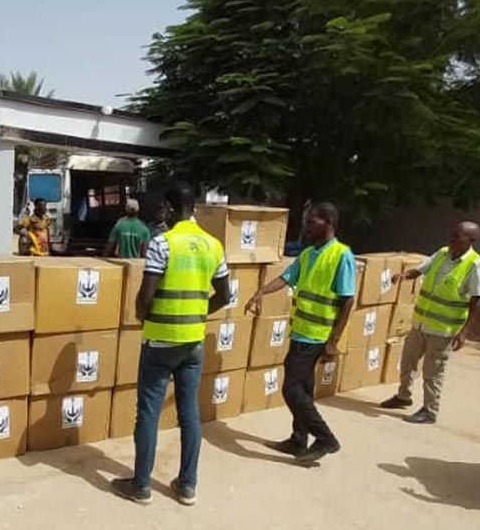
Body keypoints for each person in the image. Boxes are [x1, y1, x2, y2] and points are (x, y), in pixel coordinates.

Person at [111, 184, 231, 506]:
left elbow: (146, 296)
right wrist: (198, 311)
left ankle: (141, 486)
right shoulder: (213, 245)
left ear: (168, 207)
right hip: (193, 341)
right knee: (189, 412)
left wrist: (140, 313)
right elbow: (225, 295)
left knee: (148, 413)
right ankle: (188, 485)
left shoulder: (162, 243)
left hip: (160, 341)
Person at [245, 202, 355, 464]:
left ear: (328, 222)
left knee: (291, 389)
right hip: (300, 331)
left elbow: (348, 300)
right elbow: (286, 278)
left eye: (311, 222)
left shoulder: (341, 255)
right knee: (303, 388)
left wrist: (334, 341)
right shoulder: (308, 254)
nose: (306, 227)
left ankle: (326, 438)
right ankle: (298, 439)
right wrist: (260, 292)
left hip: (318, 335)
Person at [379, 222, 480, 424]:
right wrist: (404, 275)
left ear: (471, 240)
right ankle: (403, 396)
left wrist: (464, 332)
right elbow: (420, 270)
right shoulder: (442, 254)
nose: (452, 238)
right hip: (421, 323)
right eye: (452, 234)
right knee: (407, 362)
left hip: (443, 330)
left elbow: (476, 300)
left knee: (433, 371)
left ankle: (430, 410)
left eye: (458, 236)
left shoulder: (476, 265)